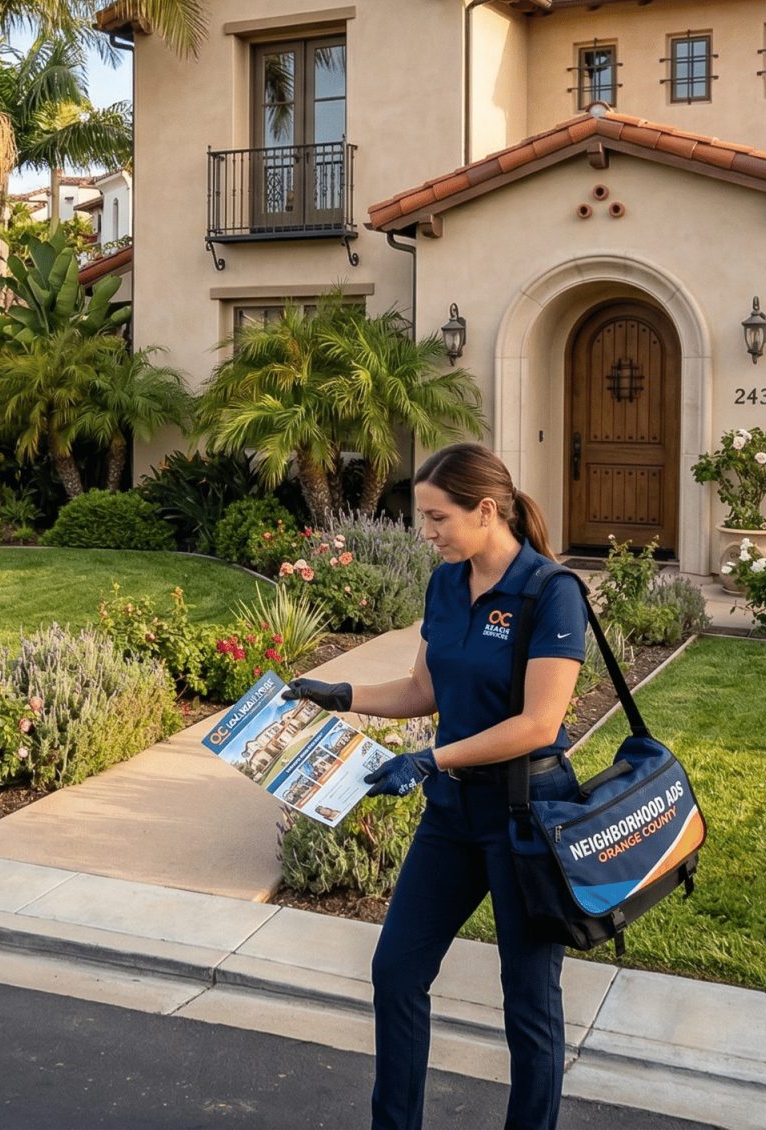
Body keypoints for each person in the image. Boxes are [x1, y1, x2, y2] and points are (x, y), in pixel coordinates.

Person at [285, 442, 587, 1130]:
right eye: (422, 519)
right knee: (396, 971)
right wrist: (341, 694)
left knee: (528, 1003)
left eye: (436, 518)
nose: (426, 533)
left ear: (485, 510)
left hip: (526, 818)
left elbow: (539, 724)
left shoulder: (550, 592)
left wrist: (429, 760)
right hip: (453, 812)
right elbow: (425, 687)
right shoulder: (447, 583)